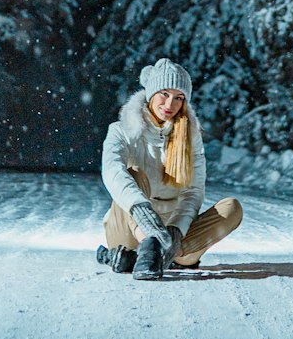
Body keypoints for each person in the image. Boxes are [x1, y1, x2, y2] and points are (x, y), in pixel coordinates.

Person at [97, 59, 243, 281]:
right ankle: (145, 248)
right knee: (134, 172)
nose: (170, 104)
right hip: (129, 227)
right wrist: (144, 216)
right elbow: (112, 171)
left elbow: (193, 192)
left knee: (232, 208)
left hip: (176, 236)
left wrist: (175, 231)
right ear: (151, 94)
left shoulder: (190, 139)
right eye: (164, 93)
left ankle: (151, 256)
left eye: (179, 97)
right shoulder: (120, 131)